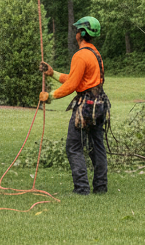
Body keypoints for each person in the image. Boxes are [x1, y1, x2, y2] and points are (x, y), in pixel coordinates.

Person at [39, 16, 110, 196]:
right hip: (99, 104)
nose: (76, 33)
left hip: (85, 106)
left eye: (78, 30)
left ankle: (82, 188)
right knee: (97, 146)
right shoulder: (95, 53)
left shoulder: (80, 55)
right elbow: (75, 78)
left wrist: (50, 96)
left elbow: (71, 86)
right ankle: (100, 187)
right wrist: (52, 73)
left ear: (82, 33)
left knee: (74, 146)